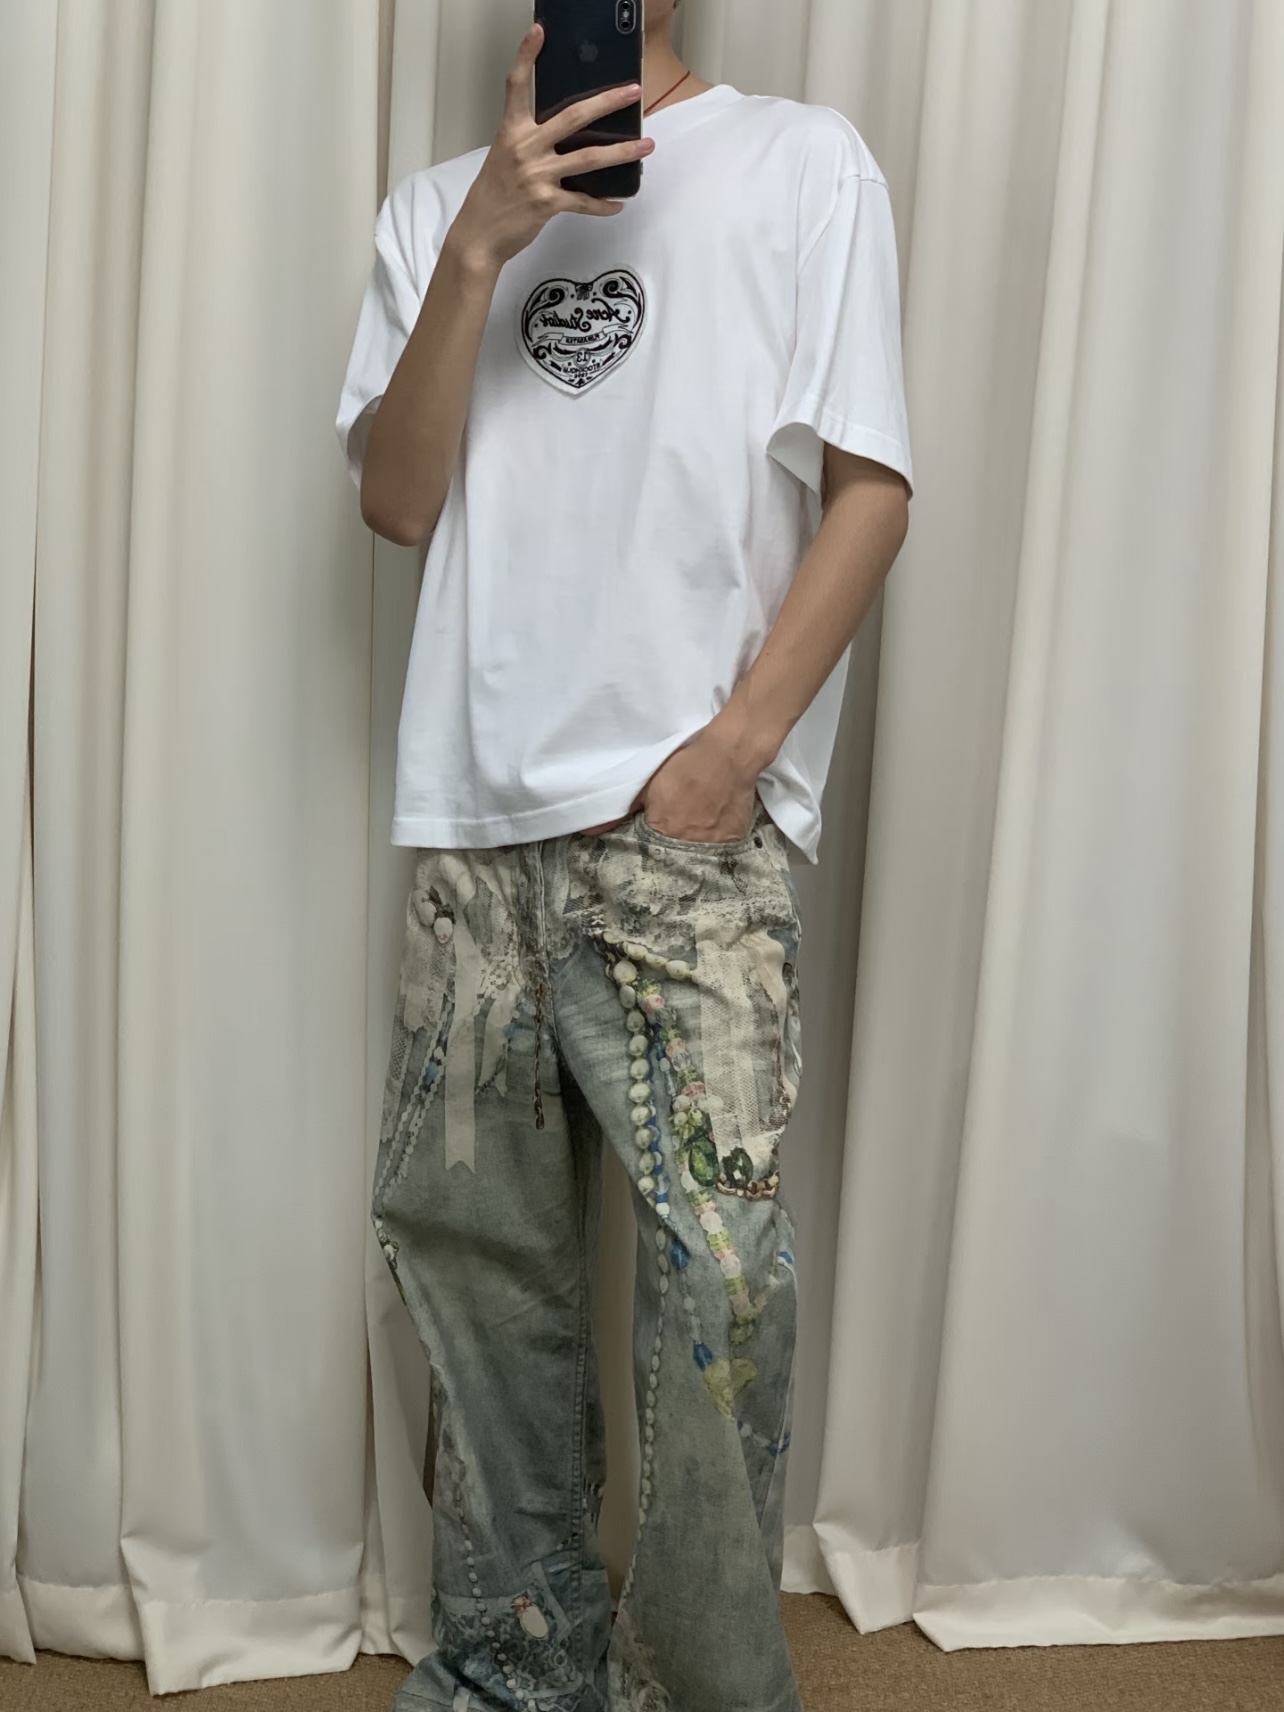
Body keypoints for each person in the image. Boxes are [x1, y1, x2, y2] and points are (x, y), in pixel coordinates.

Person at [336, 3, 911, 1707]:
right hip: (475, 830)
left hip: (686, 839)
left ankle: (707, 1693)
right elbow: (397, 502)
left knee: (722, 1292)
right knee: (480, 1279)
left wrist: (737, 754)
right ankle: (513, 1675)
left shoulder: (803, 163)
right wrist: (482, 247)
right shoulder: (436, 211)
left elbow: (871, 486)